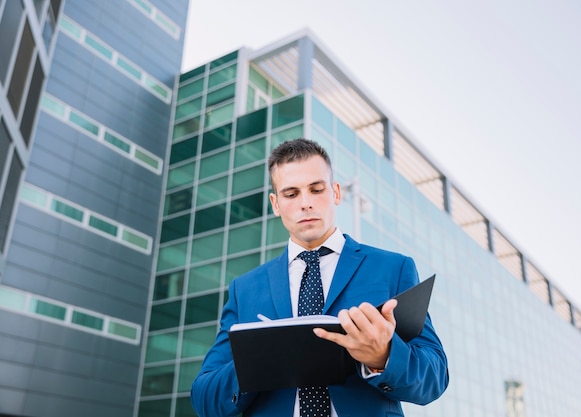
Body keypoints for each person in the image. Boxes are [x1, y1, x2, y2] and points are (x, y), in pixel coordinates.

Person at [191, 138, 449, 417]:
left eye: (316, 189)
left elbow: (434, 378)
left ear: (336, 192)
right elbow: (205, 399)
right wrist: (258, 360)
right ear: (276, 204)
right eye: (291, 194)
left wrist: (384, 355)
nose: (306, 203)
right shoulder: (245, 290)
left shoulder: (392, 268)